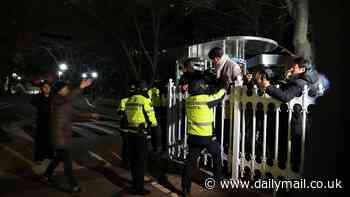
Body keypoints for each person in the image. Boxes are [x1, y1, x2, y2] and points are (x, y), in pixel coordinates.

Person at [256, 56, 317, 171]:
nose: (291, 69)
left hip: (296, 122)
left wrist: (268, 87)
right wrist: (286, 78)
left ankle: (290, 178)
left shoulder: (299, 83)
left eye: (294, 67)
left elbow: (285, 97)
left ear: (302, 70)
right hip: (294, 120)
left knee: (293, 152)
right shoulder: (299, 81)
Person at [41, 79, 97, 193]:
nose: (67, 89)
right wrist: (81, 87)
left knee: (58, 158)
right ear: (59, 91)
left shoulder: (64, 102)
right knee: (67, 162)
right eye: (65, 88)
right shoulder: (57, 100)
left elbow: (76, 114)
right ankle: (74, 185)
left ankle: (46, 175)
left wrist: (90, 115)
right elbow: (69, 98)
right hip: (59, 136)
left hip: (64, 135)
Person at [181, 78, 226, 196]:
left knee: (190, 163)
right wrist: (224, 87)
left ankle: (185, 188)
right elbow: (219, 97)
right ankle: (217, 177)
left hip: (193, 137)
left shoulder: (188, 100)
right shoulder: (205, 99)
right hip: (206, 137)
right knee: (216, 153)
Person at [125, 80, 161, 195]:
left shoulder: (129, 100)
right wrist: (157, 143)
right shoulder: (144, 100)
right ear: (144, 89)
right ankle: (139, 188)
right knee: (141, 163)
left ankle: (135, 184)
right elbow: (153, 121)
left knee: (134, 162)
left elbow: (126, 118)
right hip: (141, 135)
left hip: (130, 134)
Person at [30, 81, 54, 164]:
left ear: (51, 88)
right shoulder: (39, 96)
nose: (46, 88)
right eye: (45, 87)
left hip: (51, 121)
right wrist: (40, 94)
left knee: (50, 139)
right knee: (40, 139)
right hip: (41, 121)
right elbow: (32, 101)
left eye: (48, 87)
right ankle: (39, 158)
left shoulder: (53, 97)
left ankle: (49, 155)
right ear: (42, 88)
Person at [117, 83, 136, 168]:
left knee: (127, 145)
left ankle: (126, 162)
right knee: (129, 145)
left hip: (126, 126)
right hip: (130, 126)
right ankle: (127, 162)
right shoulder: (137, 100)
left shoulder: (124, 100)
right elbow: (120, 112)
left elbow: (119, 112)